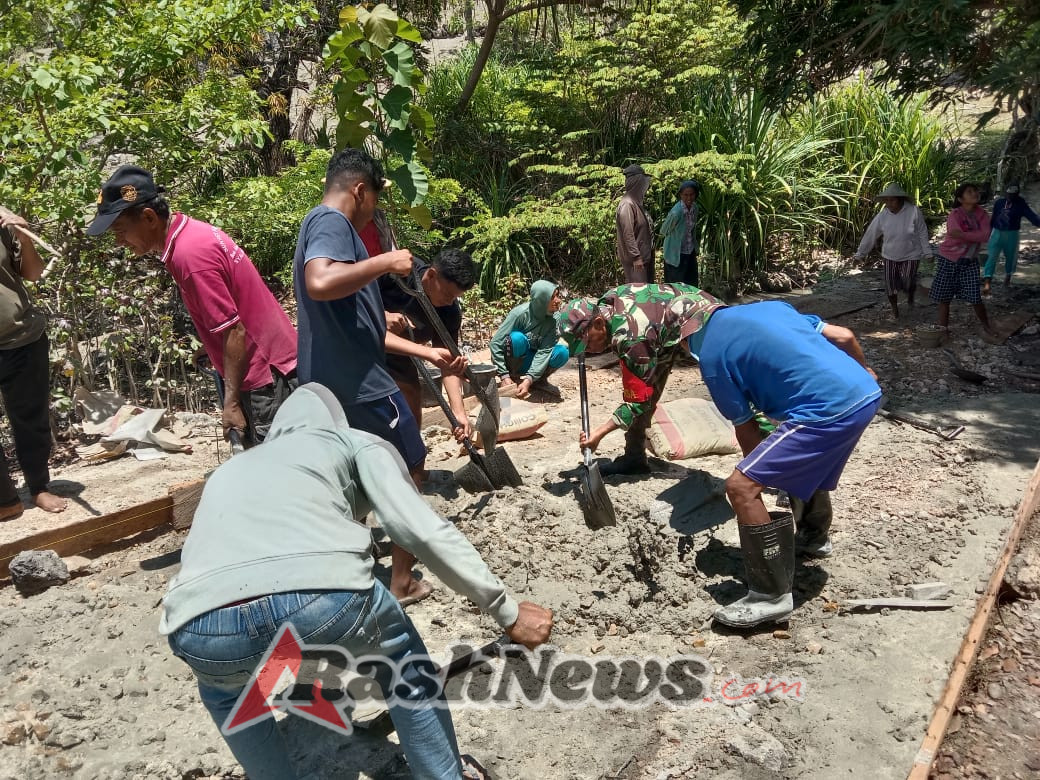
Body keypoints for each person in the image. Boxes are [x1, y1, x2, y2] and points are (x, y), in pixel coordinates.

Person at [160, 383, 554, 780]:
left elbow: (254, 580)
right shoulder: (349, 441)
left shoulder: (227, 471)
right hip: (323, 599)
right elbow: (420, 531)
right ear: (334, 421)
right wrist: (505, 609)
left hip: (199, 622)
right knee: (405, 669)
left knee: (228, 697)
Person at [559, 291, 881, 628]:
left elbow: (747, 433)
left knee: (741, 487)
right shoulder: (770, 309)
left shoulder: (713, 357)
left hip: (826, 412)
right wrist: (864, 374)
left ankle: (770, 597)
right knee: (791, 459)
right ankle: (814, 539)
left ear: (681, 337)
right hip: (865, 394)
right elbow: (845, 336)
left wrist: (754, 479)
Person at [293, 147, 465, 606]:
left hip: (327, 382)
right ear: (359, 190)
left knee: (344, 476)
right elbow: (320, 282)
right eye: (374, 202)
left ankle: (347, 569)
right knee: (411, 468)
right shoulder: (333, 224)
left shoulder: (325, 229)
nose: (375, 212)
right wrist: (385, 264)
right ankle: (403, 582)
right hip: (360, 383)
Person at [87, 166, 298, 447]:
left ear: (149, 217)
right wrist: (211, 349)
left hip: (263, 375)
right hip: (268, 359)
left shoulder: (190, 257)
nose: (119, 241)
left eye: (121, 231)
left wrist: (231, 403)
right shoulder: (190, 234)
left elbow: (235, 330)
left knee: (278, 467)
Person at [556, 283, 726, 476]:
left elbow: (638, 402)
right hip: (666, 328)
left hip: (701, 322)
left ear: (598, 323)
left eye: (587, 343)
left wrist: (599, 434)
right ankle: (634, 457)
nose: (587, 351)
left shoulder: (630, 339)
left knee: (733, 389)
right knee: (643, 387)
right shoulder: (606, 305)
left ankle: (762, 448)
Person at [0, 211, 67, 518]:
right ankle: (6, 500)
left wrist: (24, 236)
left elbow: (34, 273)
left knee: (30, 419)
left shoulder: (3, 224)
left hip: (21, 337)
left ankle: (38, 487)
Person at [379, 248, 477, 446]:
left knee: (410, 415)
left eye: (455, 297)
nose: (450, 301)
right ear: (431, 275)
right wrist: (380, 315)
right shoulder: (396, 276)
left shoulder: (449, 311)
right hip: (362, 350)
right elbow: (352, 302)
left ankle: (414, 471)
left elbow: (449, 364)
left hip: (400, 358)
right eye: (448, 294)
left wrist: (458, 412)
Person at [853, 182, 931, 319]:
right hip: (890, 255)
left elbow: (922, 232)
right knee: (890, 286)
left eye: (892, 200)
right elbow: (871, 234)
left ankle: (910, 293)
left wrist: (927, 252)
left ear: (900, 199)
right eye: (886, 200)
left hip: (911, 253)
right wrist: (860, 254)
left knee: (907, 281)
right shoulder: (883, 215)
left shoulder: (913, 211)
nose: (889, 203)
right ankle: (895, 310)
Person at [931, 183, 993, 337]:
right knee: (944, 298)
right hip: (948, 259)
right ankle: (943, 331)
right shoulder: (955, 214)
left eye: (975, 191)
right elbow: (954, 232)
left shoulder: (982, 214)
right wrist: (975, 235)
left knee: (975, 297)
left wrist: (965, 235)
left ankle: (987, 326)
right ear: (960, 198)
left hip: (969, 260)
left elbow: (985, 236)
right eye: (969, 192)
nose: (975, 193)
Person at [489, 280, 570, 399]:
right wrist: (503, 374)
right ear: (541, 300)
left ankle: (539, 380)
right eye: (553, 297)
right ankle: (512, 378)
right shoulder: (520, 314)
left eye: (558, 296)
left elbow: (545, 351)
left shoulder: (554, 319)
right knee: (516, 338)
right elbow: (496, 343)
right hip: (516, 358)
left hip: (534, 360)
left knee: (562, 352)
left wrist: (529, 379)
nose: (558, 300)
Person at [983, 183, 1040, 296]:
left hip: (1012, 234)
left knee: (1011, 257)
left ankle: (1007, 279)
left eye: (1013, 195)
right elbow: (993, 218)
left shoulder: (1021, 204)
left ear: (1017, 194)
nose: (1010, 197)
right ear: (1005, 192)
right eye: (1008, 194)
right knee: (991, 257)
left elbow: (1032, 217)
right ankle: (987, 283)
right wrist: (987, 234)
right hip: (996, 232)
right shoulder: (999, 202)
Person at [616, 164, 655, 283]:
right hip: (636, 263)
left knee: (647, 295)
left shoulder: (637, 203)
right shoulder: (627, 204)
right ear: (637, 183)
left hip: (644, 259)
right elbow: (628, 234)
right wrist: (636, 257)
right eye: (643, 183)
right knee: (639, 296)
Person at [659, 180, 700, 286]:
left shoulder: (695, 208)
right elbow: (664, 230)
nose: (689, 198)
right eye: (685, 195)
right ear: (680, 195)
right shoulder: (676, 212)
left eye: (691, 194)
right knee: (676, 286)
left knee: (691, 284)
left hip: (689, 250)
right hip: (675, 254)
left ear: (695, 194)